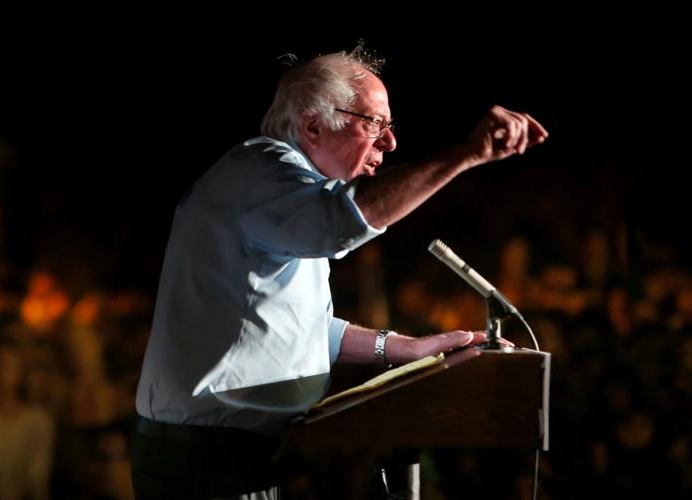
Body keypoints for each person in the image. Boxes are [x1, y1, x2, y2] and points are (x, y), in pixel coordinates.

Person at [132, 44, 548, 499]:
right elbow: (342, 222)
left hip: (237, 454)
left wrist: (409, 349)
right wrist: (464, 155)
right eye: (374, 124)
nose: (390, 142)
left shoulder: (288, 201)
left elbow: (299, 328)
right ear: (313, 124)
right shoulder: (260, 176)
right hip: (205, 461)